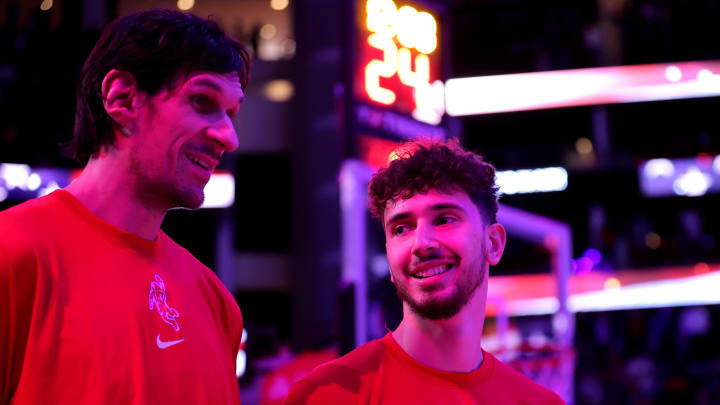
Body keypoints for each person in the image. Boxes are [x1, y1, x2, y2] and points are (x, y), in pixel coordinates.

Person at [0, 9, 250, 404]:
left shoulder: (216, 302)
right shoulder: (12, 253)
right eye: (202, 101)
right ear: (123, 98)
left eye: (231, 114)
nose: (229, 136)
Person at [283, 139, 565, 405]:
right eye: (401, 229)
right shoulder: (328, 395)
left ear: (493, 244)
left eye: (444, 219)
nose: (421, 243)